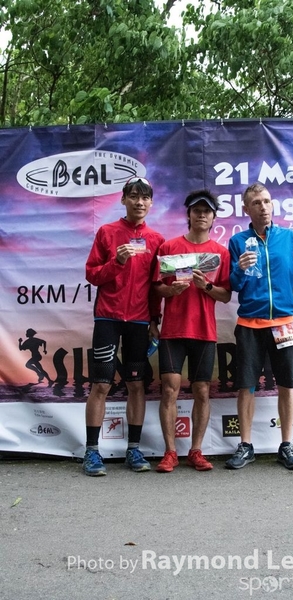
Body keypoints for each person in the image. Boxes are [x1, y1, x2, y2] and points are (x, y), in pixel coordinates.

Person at [226, 183, 293, 470]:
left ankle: (287, 445)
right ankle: (245, 446)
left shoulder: (288, 237)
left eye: (267, 201)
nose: (263, 207)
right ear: (246, 209)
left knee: (287, 385)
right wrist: (240, 269)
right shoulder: (237, 241)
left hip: (284, 322)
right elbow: (234, 285)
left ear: (272, 205)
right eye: (256, 202)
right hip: (249, 323)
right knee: (246, 386)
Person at [83, 177, 164, 476]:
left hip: (139, 321)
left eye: (144, 197)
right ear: (123, 200)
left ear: (151, 203)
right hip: (108, 317)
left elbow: (155, 286)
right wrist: (116, 261)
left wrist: (154, 320)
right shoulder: (107, 232)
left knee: (136, 384)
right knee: (101, 384)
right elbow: (92, 274)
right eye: (133, 196)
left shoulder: (156, 240)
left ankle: (134, 449)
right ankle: (92, 451)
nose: (139, 202)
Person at [154, 190, 231, 472]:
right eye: (196, 210)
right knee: (169, 390)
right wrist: (170, 290)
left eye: (206, 211)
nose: (201, 215)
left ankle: (196, 451)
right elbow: (156, 287)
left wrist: (206, 287)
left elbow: (226, 295)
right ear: (188, 214)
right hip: (173, 330)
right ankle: (170, 452)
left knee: (202, 390)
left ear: (213, 217)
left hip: (204, 331)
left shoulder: (221, 253)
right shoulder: (169, 247)